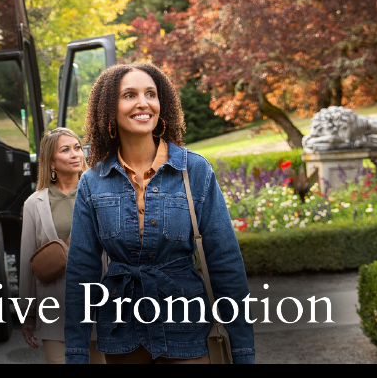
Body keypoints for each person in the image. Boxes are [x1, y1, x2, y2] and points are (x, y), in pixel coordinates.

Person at [63, 63, 255, 364]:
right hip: (121, 333)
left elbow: (225, 261)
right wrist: (76, 354)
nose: (143, 102)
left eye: (150, 94)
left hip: (186, 329)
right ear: (109, 109)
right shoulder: (93, 181)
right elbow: (81, 272)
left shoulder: (194, 170)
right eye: (129, 95)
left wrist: (243, 352)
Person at [18, 128, 106, 364]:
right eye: (65, 150)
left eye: (77, 147)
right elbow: (28, 263)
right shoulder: (34, 204)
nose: (75, 154)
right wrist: (27, 315)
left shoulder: (100, 194)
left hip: (98, 302)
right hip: (54, 307)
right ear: (51, 162)